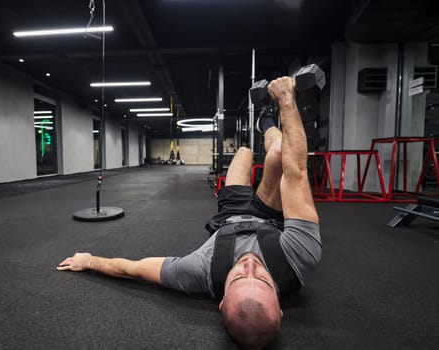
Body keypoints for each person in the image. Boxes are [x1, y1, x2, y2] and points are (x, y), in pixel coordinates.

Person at [57, 76, 322, 349]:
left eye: (240, 277)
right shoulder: (298, 258)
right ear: (279, 307)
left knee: (243, 152)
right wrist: (286, 100)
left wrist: (89, 260)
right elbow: (297, 171)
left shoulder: (199, 272)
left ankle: (263, 121)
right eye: (264, 280)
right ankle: (267, 122)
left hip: (230, 215)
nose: (250, 265)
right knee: (279, 154)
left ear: (221, 301)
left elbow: (133, 269)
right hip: (268, 216)